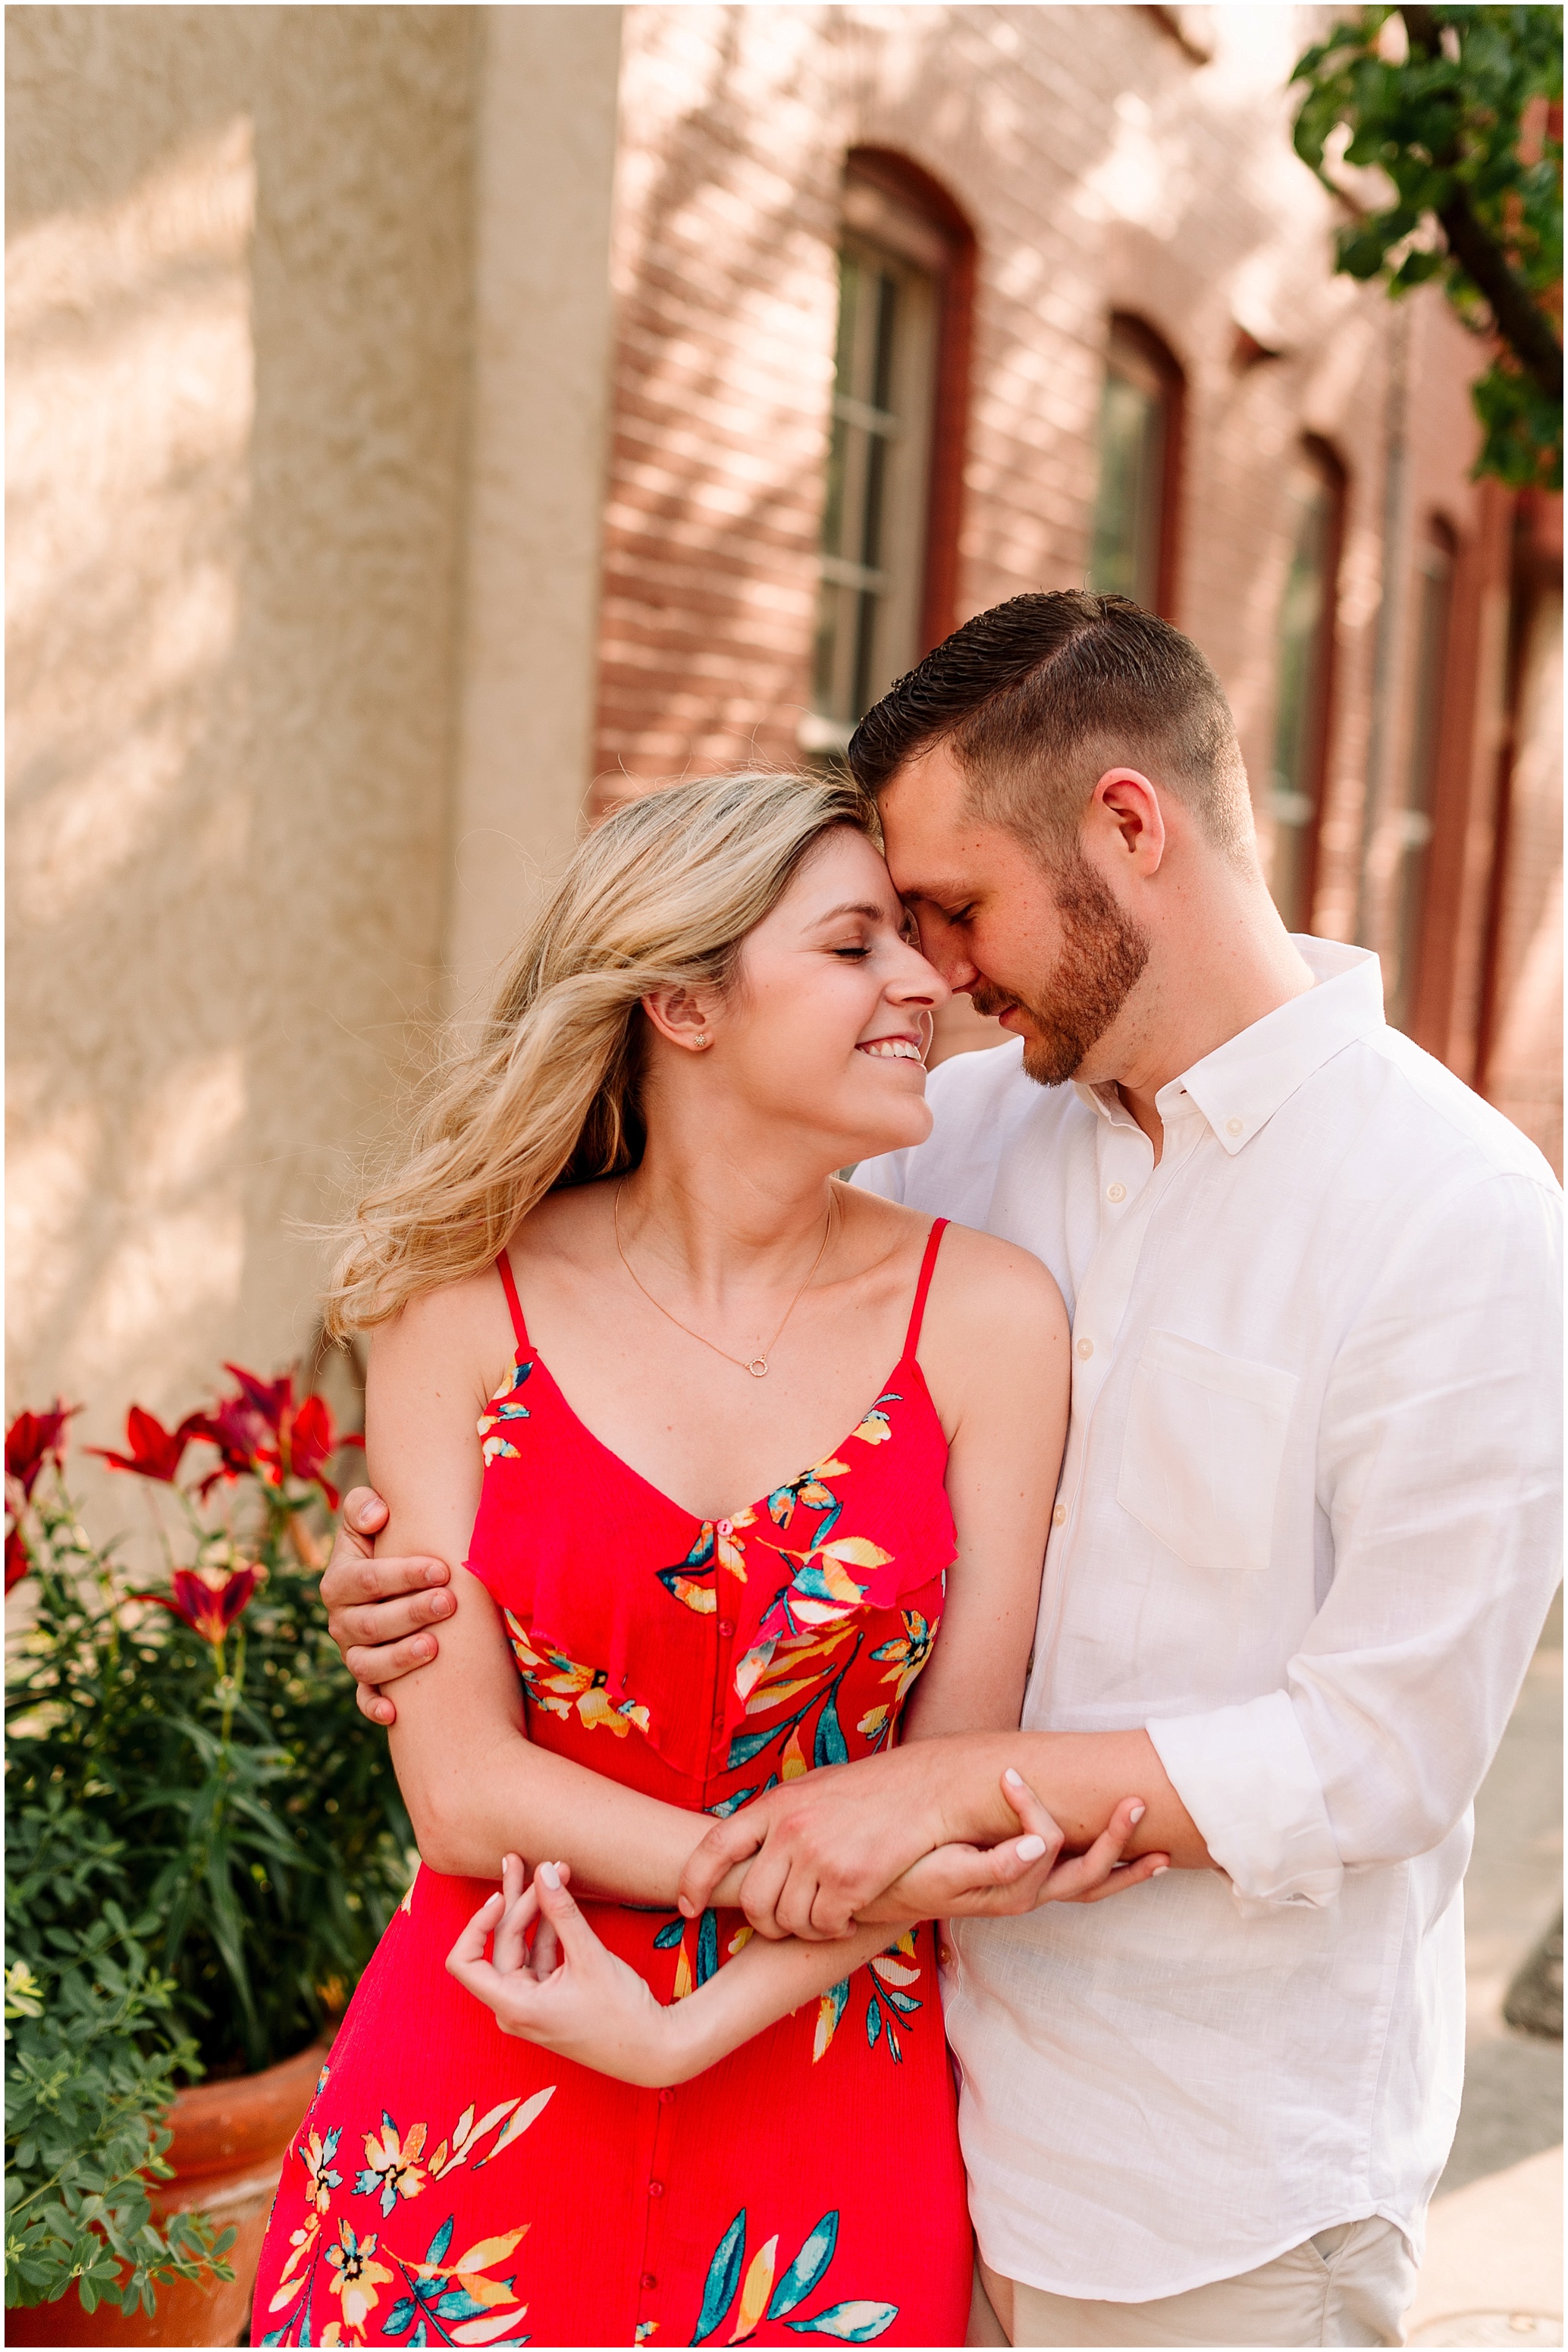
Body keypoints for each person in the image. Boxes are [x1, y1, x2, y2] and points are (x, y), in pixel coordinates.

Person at [325, 593, 1562, 2350]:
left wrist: (947, 1787)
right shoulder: (955, 1140)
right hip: (909, 2094)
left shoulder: (1454, 1217)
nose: (938, 975)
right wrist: (401, 1585)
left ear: (1126, 829)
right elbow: (663, 1420)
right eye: (885, 932)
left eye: (954, 911)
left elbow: (1385, 1753)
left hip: (1209, 2179)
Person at [252, 766, 1167, 2352]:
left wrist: (701, 2009)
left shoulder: (987, 1318)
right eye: (853, 946)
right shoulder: (460, 1310)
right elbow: (460, 1789)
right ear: (681, 1006)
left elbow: (944, 1779)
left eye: (914, 940)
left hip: (819, 2078)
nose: (922, 984)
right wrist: (803, 1864)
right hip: (495, 2038)